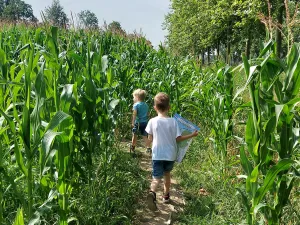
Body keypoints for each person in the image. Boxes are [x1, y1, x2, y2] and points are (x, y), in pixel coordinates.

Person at [145, 92, 198, 211]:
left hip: (157, 154)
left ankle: (152, 192)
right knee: (167, 174)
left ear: (155, 108)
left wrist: (147, 146)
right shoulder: (173, 122)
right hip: (170, 155)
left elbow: (149, 139)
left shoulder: (152, 121)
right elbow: (178, 139)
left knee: (156, 177)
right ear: (169, 108)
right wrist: (191, 135)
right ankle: (166, 195)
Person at [130, 89, 151, 156]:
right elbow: (148, 114)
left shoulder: (136, 105)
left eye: (134, 97)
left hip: (138, 123)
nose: (133, 98)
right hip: (145, 123)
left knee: (135, 135)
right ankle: (148, 148)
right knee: (145, 136)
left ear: (137, 97)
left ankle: (132, 147)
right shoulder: (146, 105)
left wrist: (133, 122)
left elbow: (134, 114)